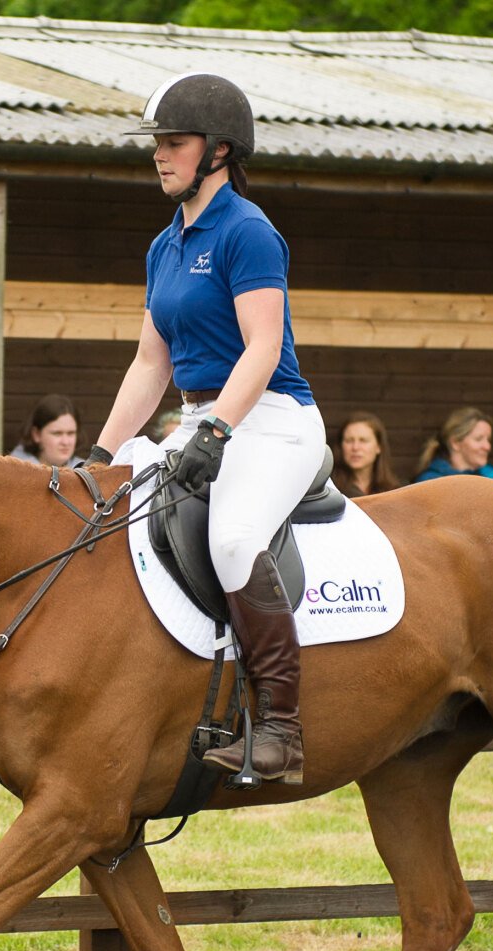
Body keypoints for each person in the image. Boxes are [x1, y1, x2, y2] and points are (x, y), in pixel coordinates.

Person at [87, 72, 327, 787]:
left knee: (229, 538)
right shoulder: (165, 246)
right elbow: (148, 363)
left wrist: (217, 431)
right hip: (199, 416)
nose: (159, 156)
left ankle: (282, 727)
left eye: (174, 143)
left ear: (218, 151)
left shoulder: (250, 232)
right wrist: (100, 453)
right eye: (156, 144)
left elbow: (260, 348)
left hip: (272, 418)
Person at [413, 407, 493, 483]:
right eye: (478, 439)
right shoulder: (431, 483)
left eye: (488, 440)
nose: (487, 447)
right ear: (455, 443)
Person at [331, 411, 399, 498]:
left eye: (363, 440)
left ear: (378, 446)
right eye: (349, 440)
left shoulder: (394, 491)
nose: (355, 447)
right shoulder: (330, 489)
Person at [11, 394, 80, 467]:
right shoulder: (13, 471)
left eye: (71, 433)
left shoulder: (87, 472)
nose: (65, 442)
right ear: (36, 434)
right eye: (57, 433)